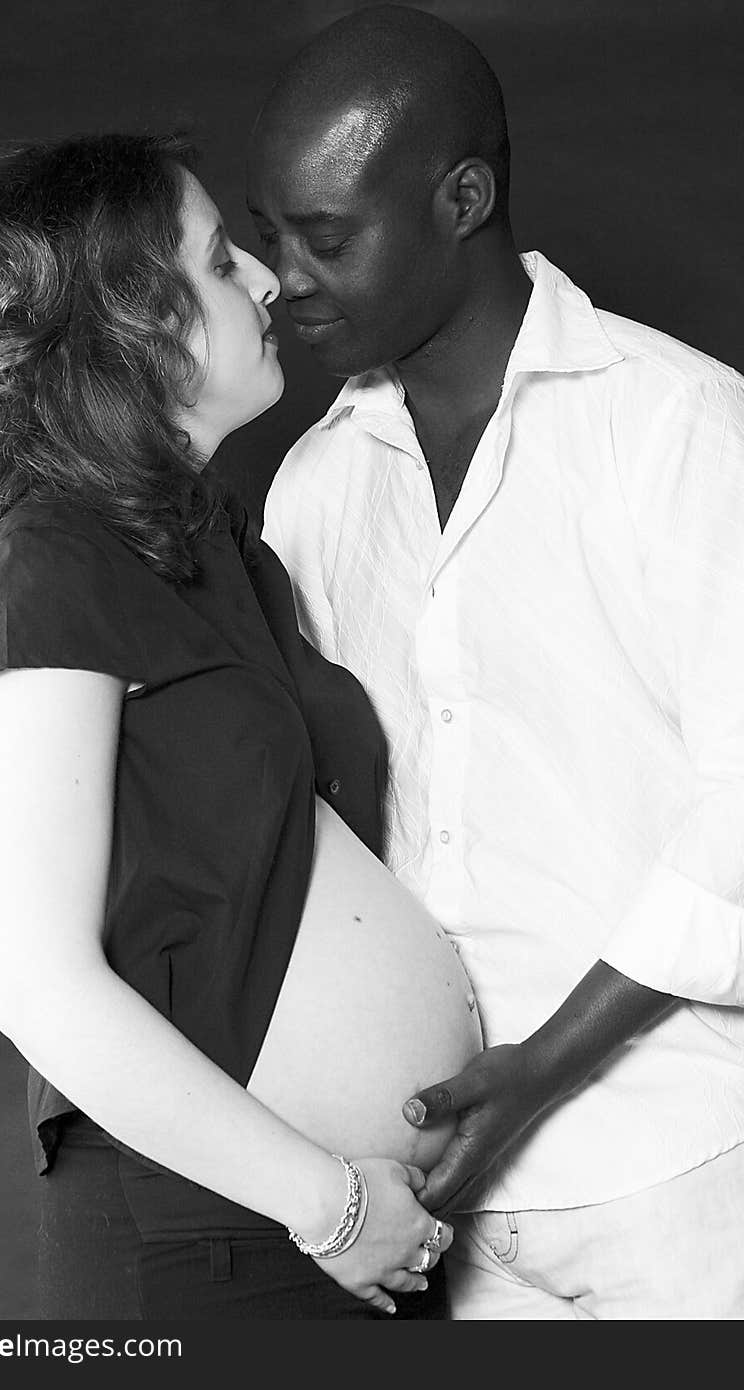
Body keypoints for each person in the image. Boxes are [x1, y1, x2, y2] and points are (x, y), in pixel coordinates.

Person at [0, 132, 487, 1320]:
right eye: (221, 262)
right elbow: (40, 984)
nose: (266, 281)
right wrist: (330, 1203)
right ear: (132, 322)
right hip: (218, 1237)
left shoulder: (203, 540)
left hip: (341, 1231)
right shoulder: (42, 557)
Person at [248, 4, 744, 1319]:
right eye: (273, 232)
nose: (281, 276)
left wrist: (532, 1070)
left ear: (462, 198)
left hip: (677, 1181)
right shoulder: (308, 493)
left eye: (326, 237)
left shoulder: (679, 427)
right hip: (429, 1214)